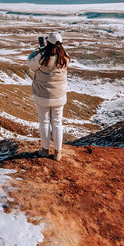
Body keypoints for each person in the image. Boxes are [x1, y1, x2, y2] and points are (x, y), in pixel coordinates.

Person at [28, 32, 69, 160]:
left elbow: (30, 64)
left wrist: (36, 51)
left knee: (44, 122)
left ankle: (45, 150)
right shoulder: (65, 57)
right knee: (57, 123)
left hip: (42, 95)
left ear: (48, 43)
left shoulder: (42, 56)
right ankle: (58, 153)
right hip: (59, 96)